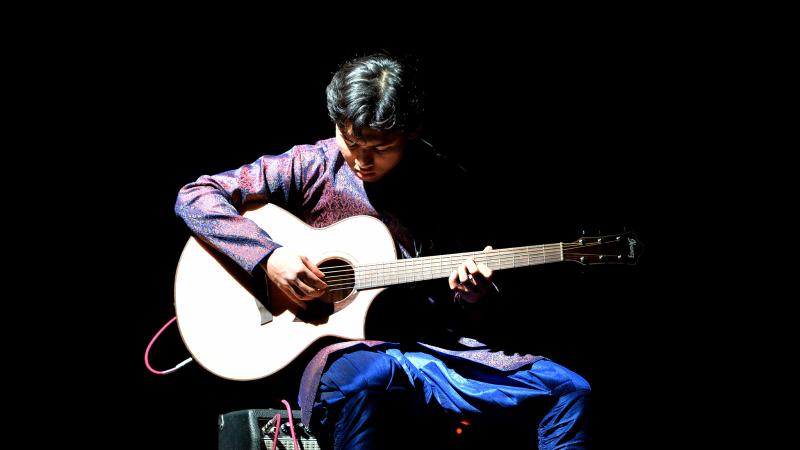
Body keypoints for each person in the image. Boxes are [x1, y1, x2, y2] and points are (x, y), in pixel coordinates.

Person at [175, 53, 590, 449]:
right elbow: (197, 196)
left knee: (570, 389)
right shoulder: (311, 164)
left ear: (410, 133)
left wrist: (473, 295)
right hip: (342, 354)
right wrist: (268, 258)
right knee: (372, 376)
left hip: (431, 351)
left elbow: (462, 306)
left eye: (379, 147)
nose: (359, 159)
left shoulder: (443, 183)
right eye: (350, 141)